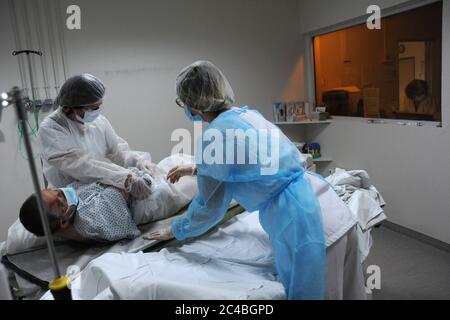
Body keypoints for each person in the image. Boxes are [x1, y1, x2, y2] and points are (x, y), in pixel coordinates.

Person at [145, 61, 366, 300]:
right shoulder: (248, 115)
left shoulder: (213, 137)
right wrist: (197, 168)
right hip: (331, 208)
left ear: (192, 103)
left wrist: (175, 230)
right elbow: (251, 162)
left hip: (308, 227)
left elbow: (209, 207)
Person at [19, 155, 197, 242]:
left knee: (178, 159)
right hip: (151, 200)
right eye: (60, 203)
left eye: (57, 191)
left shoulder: (66, 202)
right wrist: (122, 178)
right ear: (63, 223)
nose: (63, 194)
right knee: (198, 179)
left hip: (144, 184)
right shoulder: (88, 221)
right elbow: (119, 193)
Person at [38, 74, 158, 200]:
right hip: (71, 198)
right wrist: (124, 178)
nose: (97, 111)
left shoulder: (98, 121)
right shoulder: (52, 128)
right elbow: (81, 166)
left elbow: (117, 151)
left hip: (102, 187)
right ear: (71, 107)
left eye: (99, 106)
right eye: (93, 107)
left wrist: (139, 162)